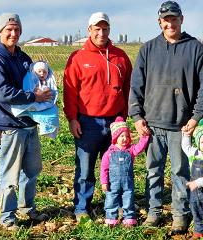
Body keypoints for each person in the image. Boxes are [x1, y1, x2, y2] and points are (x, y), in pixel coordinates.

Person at [129, 0, 203, 234]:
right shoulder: (148, 49)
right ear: (159, 22)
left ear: (181, 20)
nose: (170, 23)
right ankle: (154, 211)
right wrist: (137, 116)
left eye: (174, 18)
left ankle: (180, 215)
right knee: (153, 171)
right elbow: (136, 86)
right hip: (152, 124)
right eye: (166, 19)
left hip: (182, 126)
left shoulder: (195, 48)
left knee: (180, 172)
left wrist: (196, 117)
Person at [0, 13, 51, 230]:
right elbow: (2, 93)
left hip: (28, 123)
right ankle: (7, 217)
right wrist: (34, 97)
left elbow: (33, 80)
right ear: (0, 32)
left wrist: (44, 83)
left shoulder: (22, 57)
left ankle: (26, 208)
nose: (13, 34)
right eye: (8, 30)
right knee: (9, 173)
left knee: (32, 170)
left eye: (16, 29)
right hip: (8, 126)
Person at [63, 12, 132, 221]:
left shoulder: (120, 57)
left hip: (115, 123)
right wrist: (72, 118)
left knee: (116, 168)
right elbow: (70, 90)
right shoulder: (78, 57)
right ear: (89, 30)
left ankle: (115, 206)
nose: (101, 33)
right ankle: (82, 208)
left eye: (105, 29)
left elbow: (129, 88)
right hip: (87, 122)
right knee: (85, 169)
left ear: (109, 30)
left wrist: (124, 117)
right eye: (97, 29)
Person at [100, 116, 149, 227]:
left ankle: (129, 218)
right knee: (111, 200)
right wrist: (104, 182)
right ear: (115, 137)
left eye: (127, 136)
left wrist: (144, 137)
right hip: (113, 183)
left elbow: (140, 147)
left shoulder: (130, 150)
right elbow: (104, 168)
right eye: (121, 136)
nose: (124, 139)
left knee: (128, 199)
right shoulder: (109, 153)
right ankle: (111, 219)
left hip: (128, 182)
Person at [11, 61, 59, 138]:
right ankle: (46, 127)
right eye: (39, 71)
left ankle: (48, 129)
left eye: (45, 72)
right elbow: (28, 89)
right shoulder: (30, 79)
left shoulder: (48, 81)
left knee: (52, 113)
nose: (42, 74)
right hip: (34, 101)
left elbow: (52, 91)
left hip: (46, 102)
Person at [182, 122, 203, 240]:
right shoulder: (194, 153)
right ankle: (198, 231)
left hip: (197, 186)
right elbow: (186, 146)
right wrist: (186, 135)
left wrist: (198, 183)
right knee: (196, 210)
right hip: (195, 193)